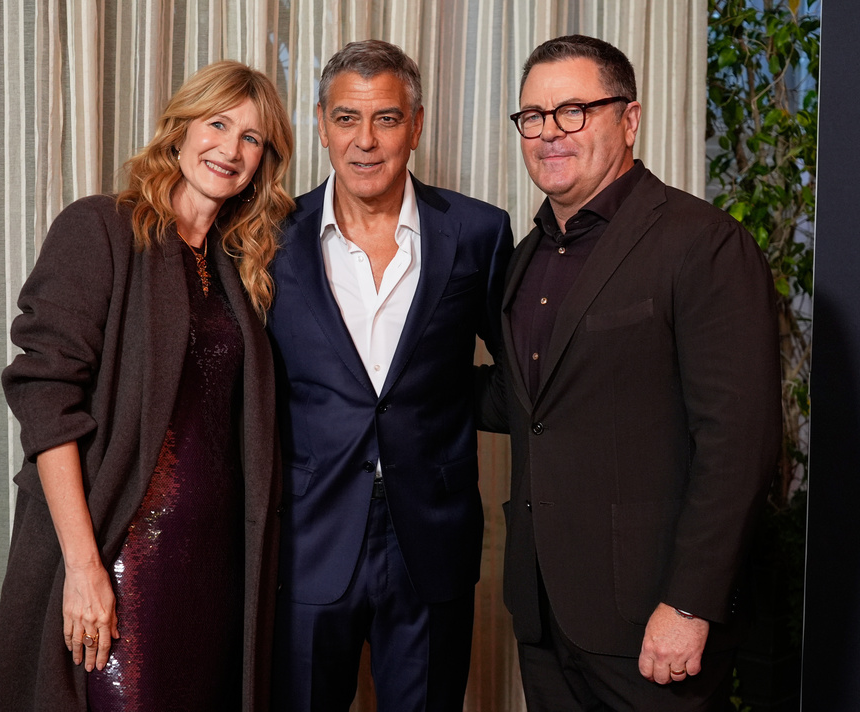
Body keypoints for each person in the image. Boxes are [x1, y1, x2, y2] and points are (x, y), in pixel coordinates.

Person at [477, 35, 781, 711]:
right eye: (534, 116)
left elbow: (740, 441)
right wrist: (384, 380)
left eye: (574, 110)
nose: (549, 132)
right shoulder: (525, 258)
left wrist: (690, 603)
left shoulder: (701, 243)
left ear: (630, 118)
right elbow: (526, 401)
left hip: (653, 621)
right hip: (545, 615)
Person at [0, 60, 293, 712]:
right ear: (179, 130)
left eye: (252, 138)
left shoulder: (239, 271)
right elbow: (45, 398)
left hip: (215, 572)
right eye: (217, 123)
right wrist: (84, 567)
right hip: (122, 559)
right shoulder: (101, 228)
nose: (230, 149)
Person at [267, 40, 513, 711]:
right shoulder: (266, 237)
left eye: (386, 118)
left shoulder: (478, 233)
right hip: (309, 538)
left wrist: (448, 408)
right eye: (347, 119)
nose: (365, 141)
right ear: (320, 124)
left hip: (431, 539)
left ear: (417, 124)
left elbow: (522, 373)